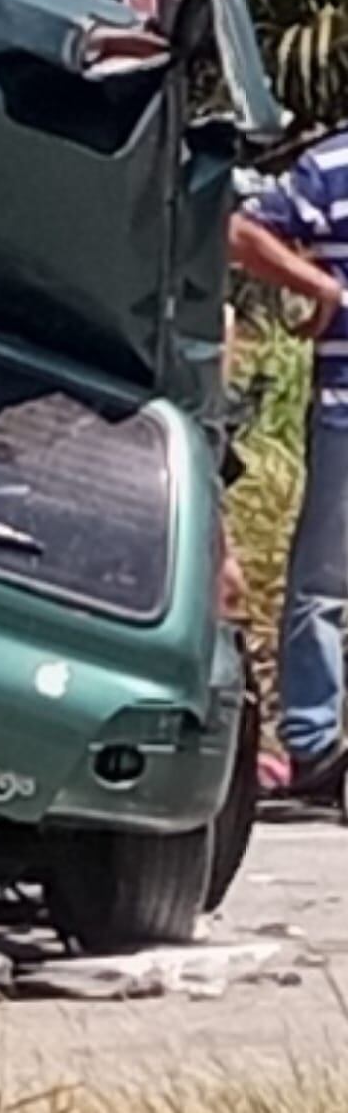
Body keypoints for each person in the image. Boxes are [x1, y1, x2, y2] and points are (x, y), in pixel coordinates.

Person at [230, 131, 348, 797]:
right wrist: (320, 286)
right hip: (345, 402)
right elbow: (238, 230)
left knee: (321, 586)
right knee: (323, 584)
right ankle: (313, 748)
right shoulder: (332, 166)